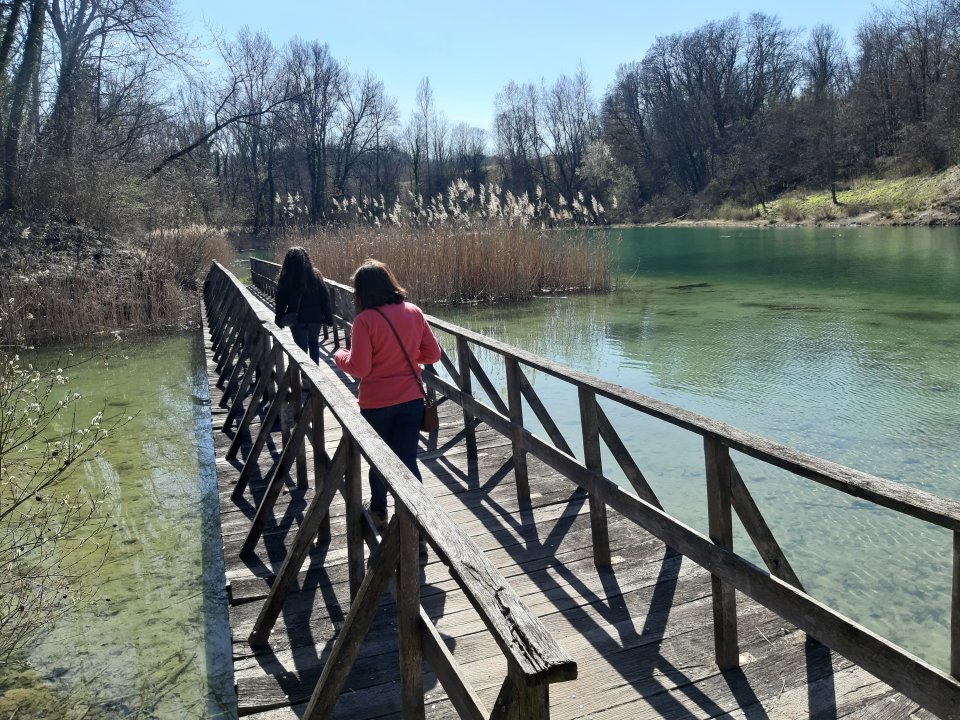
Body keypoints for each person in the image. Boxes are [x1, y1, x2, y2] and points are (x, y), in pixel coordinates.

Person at [334, 259, 441, 546]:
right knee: (407, 460)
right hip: (411, 400)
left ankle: (379, 511)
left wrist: (339, 356)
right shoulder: (413, 312)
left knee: (379, 460)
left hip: (377, 403)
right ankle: (416, 524)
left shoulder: (364, 321)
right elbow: (432, 354)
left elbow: (360, 368)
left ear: (362, 292)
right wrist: (403, 357)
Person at [274, 246, 333, 363]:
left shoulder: (286, 277)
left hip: (297, 320)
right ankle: (314, 375)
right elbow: (325, 298)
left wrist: (279, 319)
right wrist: (329, 318)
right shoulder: (316, 275)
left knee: (301, 349)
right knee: (314, 344)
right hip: (315, 318)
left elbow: (280, 301)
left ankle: (305, 376)